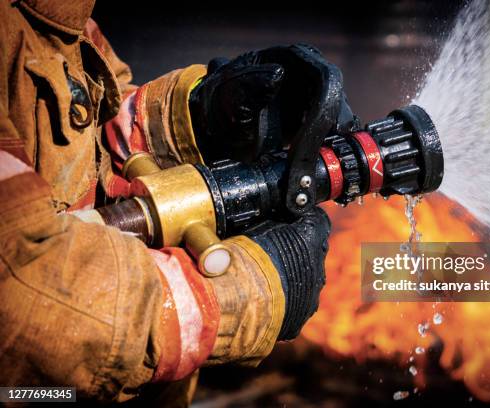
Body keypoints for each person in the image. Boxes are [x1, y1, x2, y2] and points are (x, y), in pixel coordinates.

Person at [0, 0, 334, 405]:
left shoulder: (57, 15)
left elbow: (90, 134)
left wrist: (198, 117)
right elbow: (19, 290)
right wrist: (242, 295)